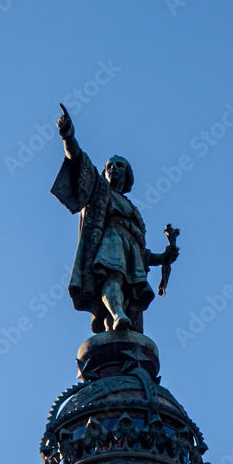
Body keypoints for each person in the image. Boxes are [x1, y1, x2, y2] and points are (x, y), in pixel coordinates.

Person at [51, 104, 179, 334]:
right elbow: (78, 160)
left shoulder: (132, 210)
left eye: (120, 166)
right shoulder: (99, 189)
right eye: (109, 166)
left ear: (128, 174)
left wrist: (163, 257)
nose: (113, 169)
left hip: (130, 249)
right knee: (113, 278)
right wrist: (68, 136)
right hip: (110, 240)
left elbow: (141, 252)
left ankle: (118, 320)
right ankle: (118, 314)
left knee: (128, 294)